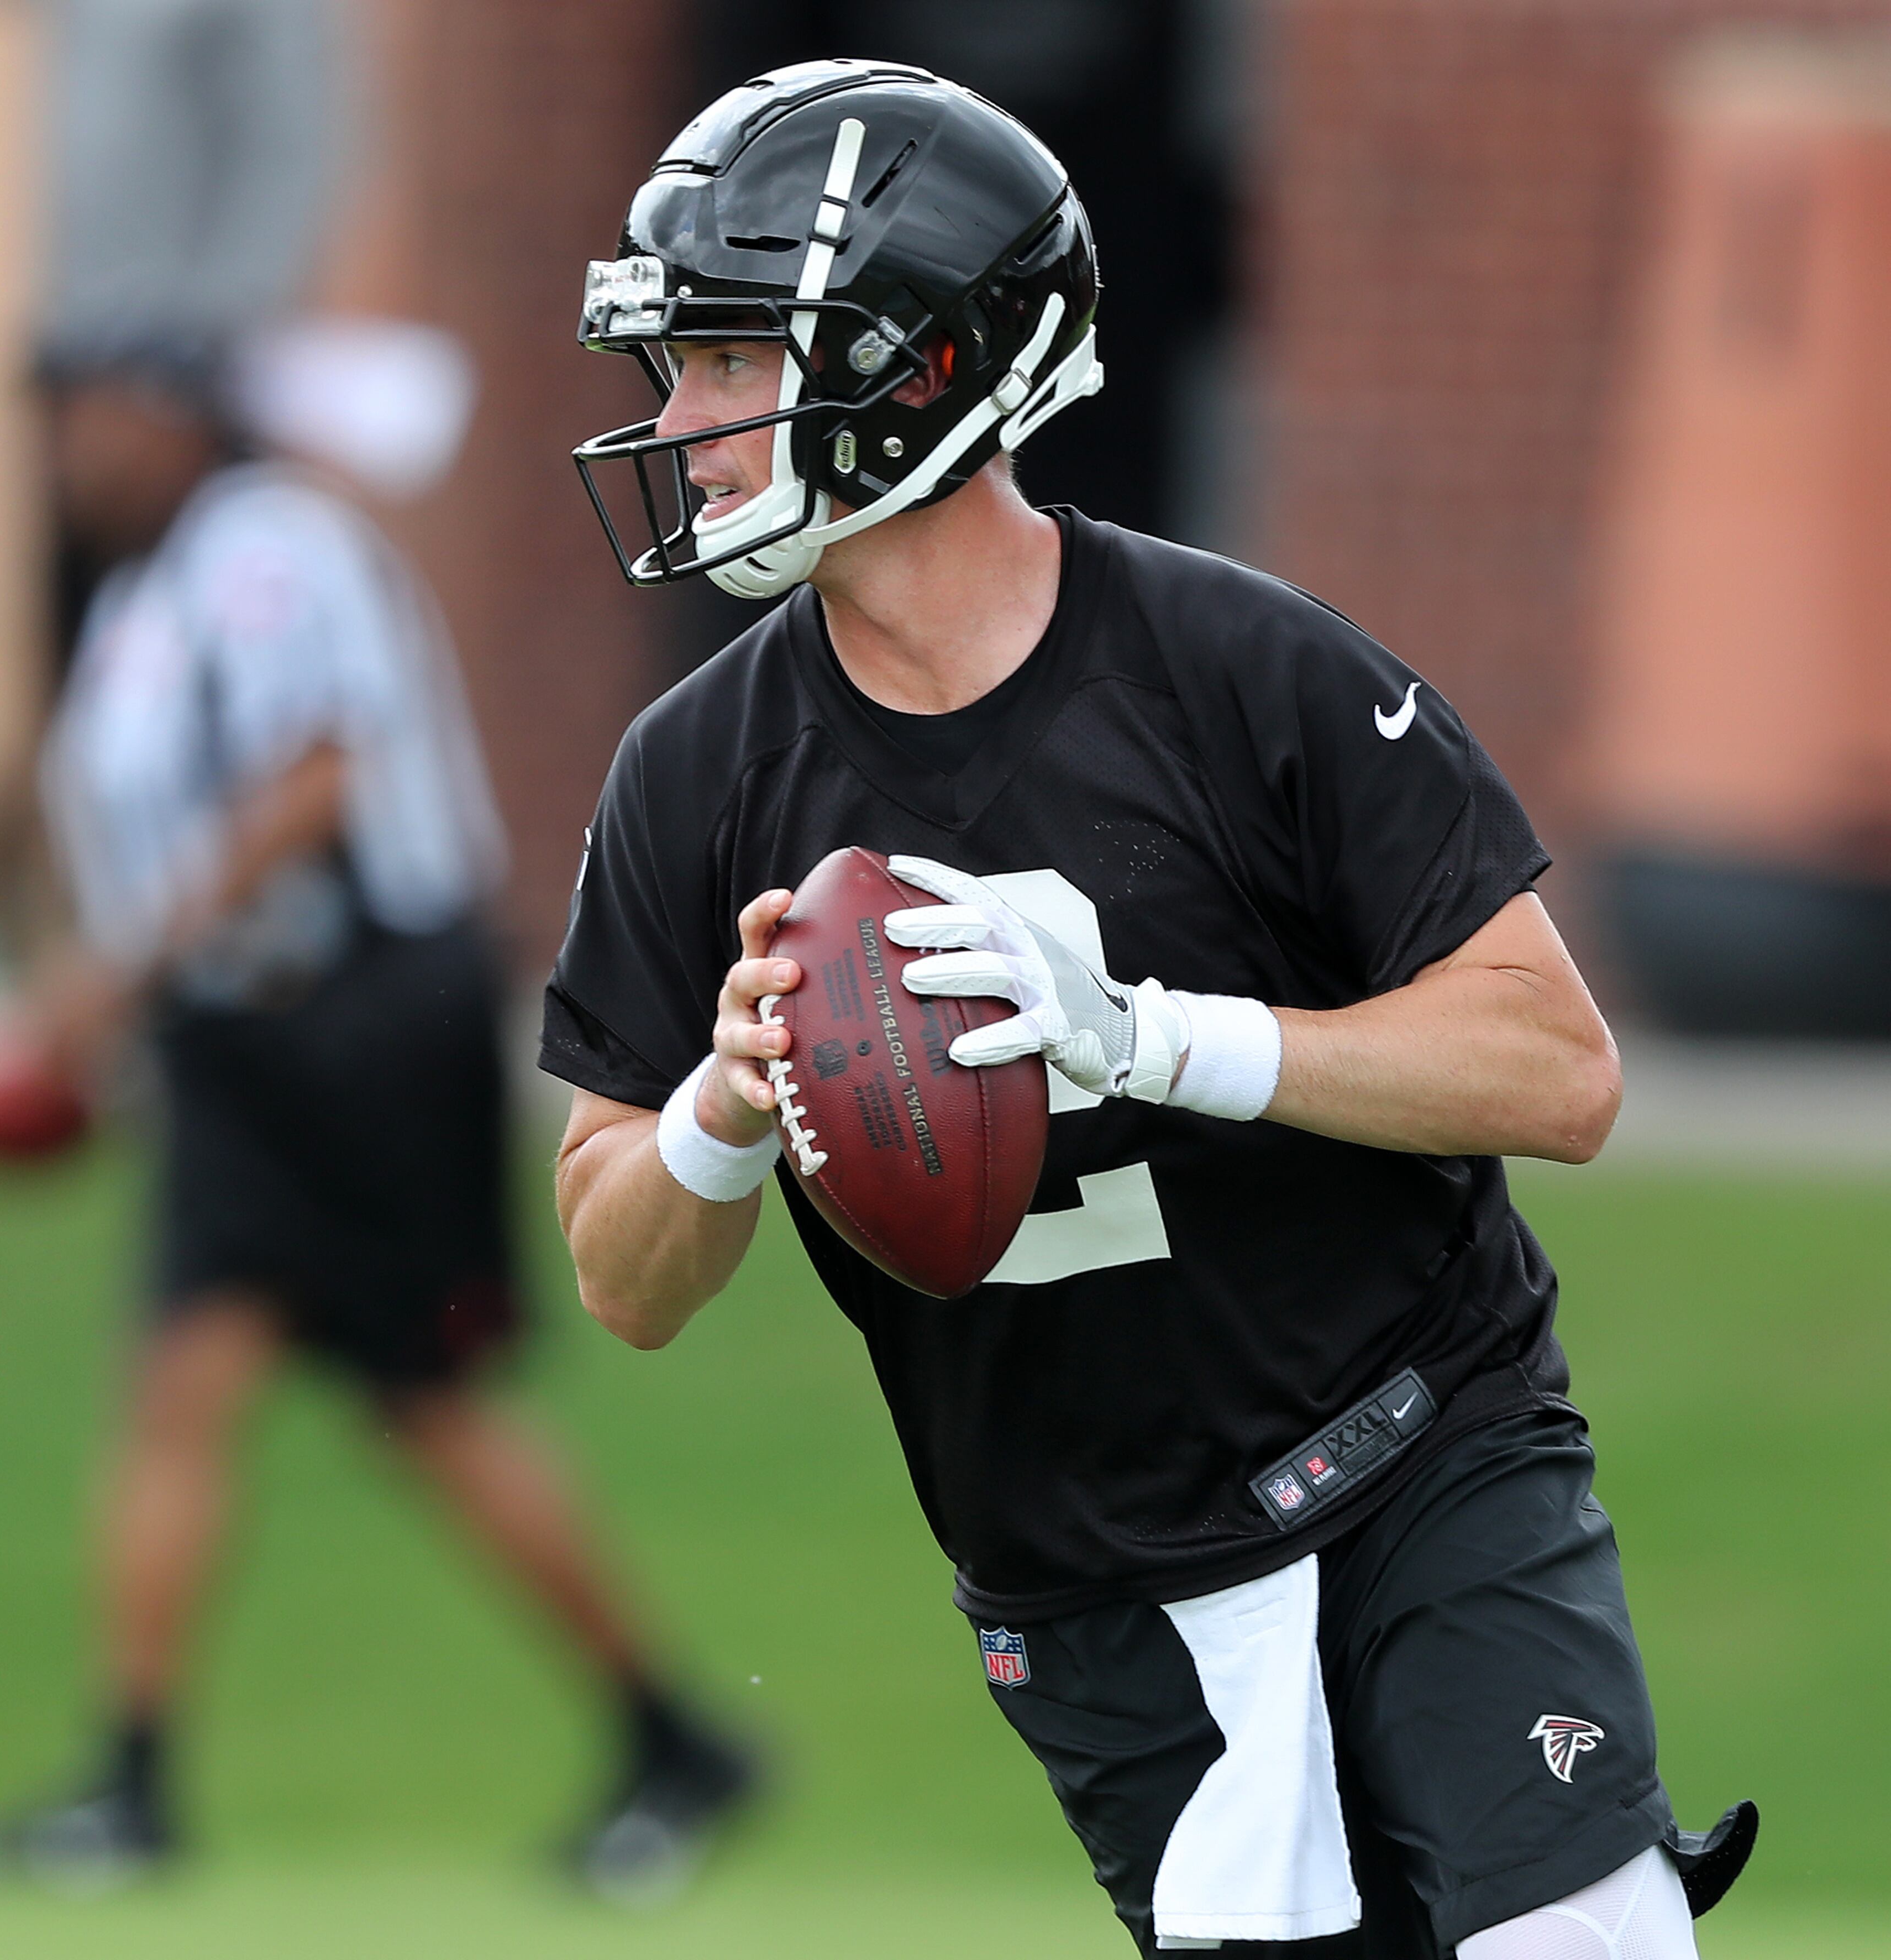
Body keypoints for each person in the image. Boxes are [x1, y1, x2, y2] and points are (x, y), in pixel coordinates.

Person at [545, 60, 1755, 1959]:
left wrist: (1159, 1036)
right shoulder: (696, 776)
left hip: (1414, 1449)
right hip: (1092, 1575)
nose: (680, 424)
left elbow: (1559, 1065)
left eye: (724, 363)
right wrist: (717, 1101)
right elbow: (621, 1277)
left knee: (1578, 1944)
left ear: (915, 368)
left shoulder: (1241, 670)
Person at [0, 333, 753, 1896]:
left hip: (355, 1022)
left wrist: (112, 977)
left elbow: (319, 775)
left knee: (425, 1395)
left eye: (98, 414)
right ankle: (131, 1778)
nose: (73, 450)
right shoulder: (140, 594)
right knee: (192, 1382)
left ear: (182, 416)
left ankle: (672, 1730)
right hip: (233, 1040)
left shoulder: (267, 545)